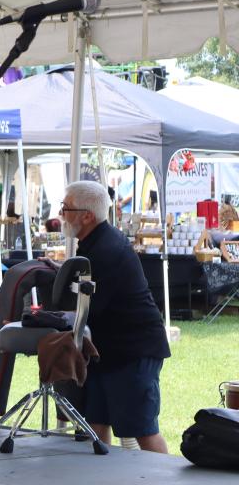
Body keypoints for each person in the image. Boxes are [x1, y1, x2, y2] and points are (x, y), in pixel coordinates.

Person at [59, 181, 170, 453]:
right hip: (108, 351)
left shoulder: (106, 250)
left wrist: (51, 318)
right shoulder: (94, 242)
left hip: (133, 352)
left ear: (87, 216)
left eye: (67, 208)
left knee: (143, 432)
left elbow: (89, 307)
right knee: (95, 426)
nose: (61, 214)